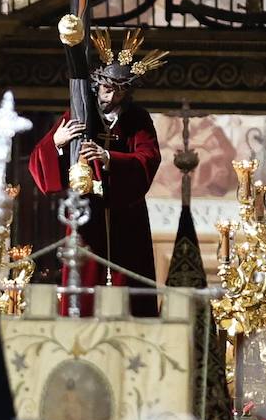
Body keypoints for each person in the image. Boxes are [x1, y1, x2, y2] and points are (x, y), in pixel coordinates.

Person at [27, 29, 166, 317]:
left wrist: (109, 158)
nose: (112, 96)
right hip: (87, 216)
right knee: (84, 285)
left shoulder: (137, 119)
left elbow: (148, 158)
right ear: (97, 83)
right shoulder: (78, 113)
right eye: (107, 89)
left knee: (129, 286)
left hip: (126, 219)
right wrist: (57, 143)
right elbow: (39, 162)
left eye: (119, 91)